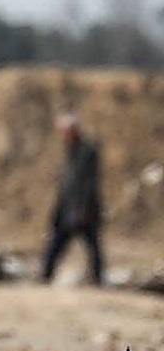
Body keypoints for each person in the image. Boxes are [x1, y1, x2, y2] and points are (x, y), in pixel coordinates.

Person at [41, 112, 103, 285]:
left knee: (91, 246)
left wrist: (81, 209)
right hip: (68, 207)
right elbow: (67, 183)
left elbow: (87, 184)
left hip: (82, 209)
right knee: (57, 243)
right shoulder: (71, 151)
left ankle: (98, 278)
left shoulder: (87, 151)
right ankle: (45, 275)